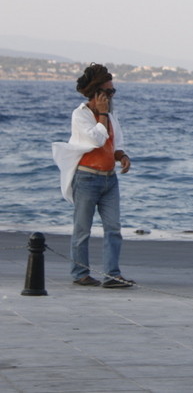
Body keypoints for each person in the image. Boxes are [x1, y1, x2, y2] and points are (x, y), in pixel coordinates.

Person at [53, 64, 134, 288]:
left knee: (113, 228)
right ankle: (80, 273)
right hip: (87, 178)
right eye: (107, 92)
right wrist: (103, 114)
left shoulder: (110, 115)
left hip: (109, 178)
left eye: (112, 92)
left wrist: (122, 155)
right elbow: (95, 140)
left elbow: (114, 142)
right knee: (82, 229)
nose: (110, 96)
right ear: (96, 93)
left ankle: (112, 274)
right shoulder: (81, 115)